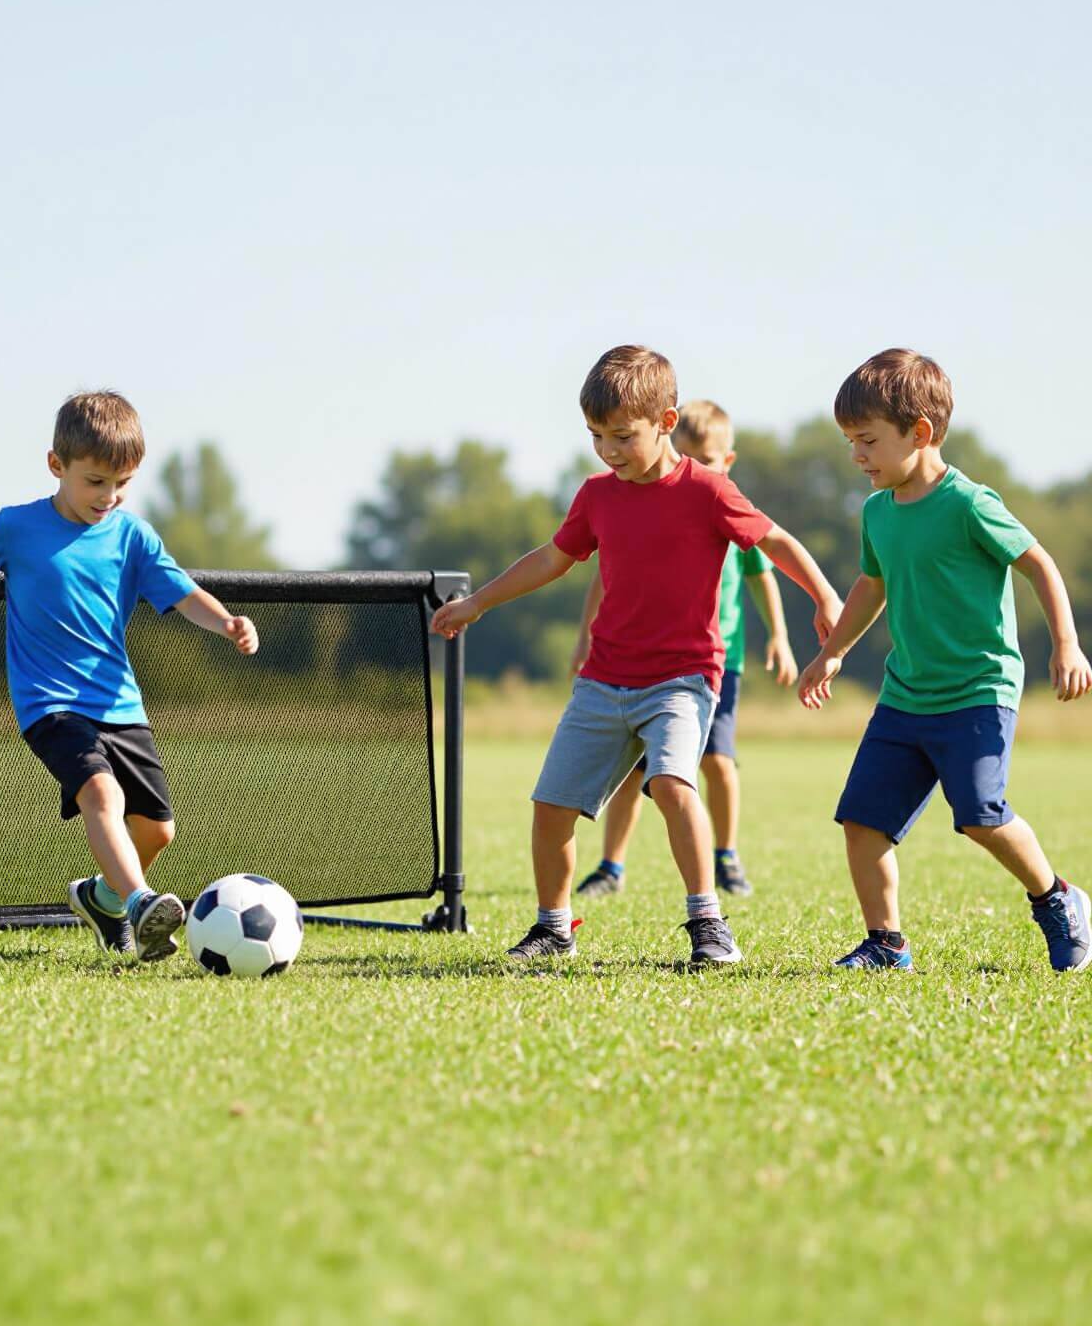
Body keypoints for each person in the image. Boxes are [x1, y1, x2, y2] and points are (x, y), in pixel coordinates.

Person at [431, 345, 840, 967]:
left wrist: (825, 597)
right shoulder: (598, 496)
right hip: (603, 680)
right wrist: (479, 602)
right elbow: (551, 558)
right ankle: (553, 928)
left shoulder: (708, 491)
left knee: (674, 785)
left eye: (623, 436)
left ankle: (708, 924)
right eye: (597, 436)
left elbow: (776, 541)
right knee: (550, 808)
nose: (609, 450)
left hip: (681, 680)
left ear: (667, 422)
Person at [0, 390, 259, 960]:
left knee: (156, 830)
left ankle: (102, 899)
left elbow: (182, 596)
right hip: (47, 703)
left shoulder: (134, 536)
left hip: (120, 703)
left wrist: (226, 621)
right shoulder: (17, 527)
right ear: (57, 465)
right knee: (99, 793)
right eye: (95, 481)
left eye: (122, 483)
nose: (108, 497)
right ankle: (138, 905)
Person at [799, 349, 1092, 971]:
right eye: (851, 441)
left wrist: (1065, 642)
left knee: (981, 815)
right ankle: (886, 943)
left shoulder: (969, 503)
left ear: (921, 433)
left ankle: (1058, 899)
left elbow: (1037, 563)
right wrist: (832, 653)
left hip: (979, 691)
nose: (857, 457)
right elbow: (871, 586)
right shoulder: (877, 512)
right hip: (905, 695)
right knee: (862, 821)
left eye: (868, 441)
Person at [572, 400, 797, 900]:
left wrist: (780, 637)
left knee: (717, 760)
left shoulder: (727, 509)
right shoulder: (642, 502)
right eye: (690, 456)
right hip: (642, 663)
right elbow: (602, 575)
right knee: (635, 769)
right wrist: (584, 636)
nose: (699, 467)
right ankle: (611, 865)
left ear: (728, 461)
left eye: (710, 459)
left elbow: (766, 578)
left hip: (714, 664)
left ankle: (727, 856)